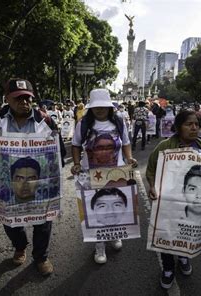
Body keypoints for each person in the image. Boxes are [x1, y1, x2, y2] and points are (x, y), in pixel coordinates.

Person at [0, 78, 65, 276]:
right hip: (8, 184)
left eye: (28, 98)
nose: (24, 102)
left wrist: (53, 176)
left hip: (40, 182)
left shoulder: (45, 120)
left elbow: (59, 150)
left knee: (43, 220)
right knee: (10, 219)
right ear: (7, 99)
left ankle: (41, 257)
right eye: (18, 98)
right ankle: (20, 246)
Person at [146, 110, 201, 289]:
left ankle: (184, 256)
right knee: (167, 232)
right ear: (177, 127)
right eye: (189, 124)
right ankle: (168, 268)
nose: (194, 128)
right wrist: (152, 186)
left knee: (187, 230)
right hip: (169, 202)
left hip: (191, 201)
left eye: (197, 124)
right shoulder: (164, 146)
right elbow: (152, 169)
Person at [71, 88, 137, 265]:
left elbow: (127, 143)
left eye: (103, 106)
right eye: (96, 106)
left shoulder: (119, 122)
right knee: (95, 208)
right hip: (90, 174)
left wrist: (129, 158)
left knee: (115, 205)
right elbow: (76, 145)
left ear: (109, 107)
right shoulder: (83, 124)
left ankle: (115, 235)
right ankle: (99, 245)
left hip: (116, 173)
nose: (100, 109)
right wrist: (76, 163)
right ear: (91, 108)